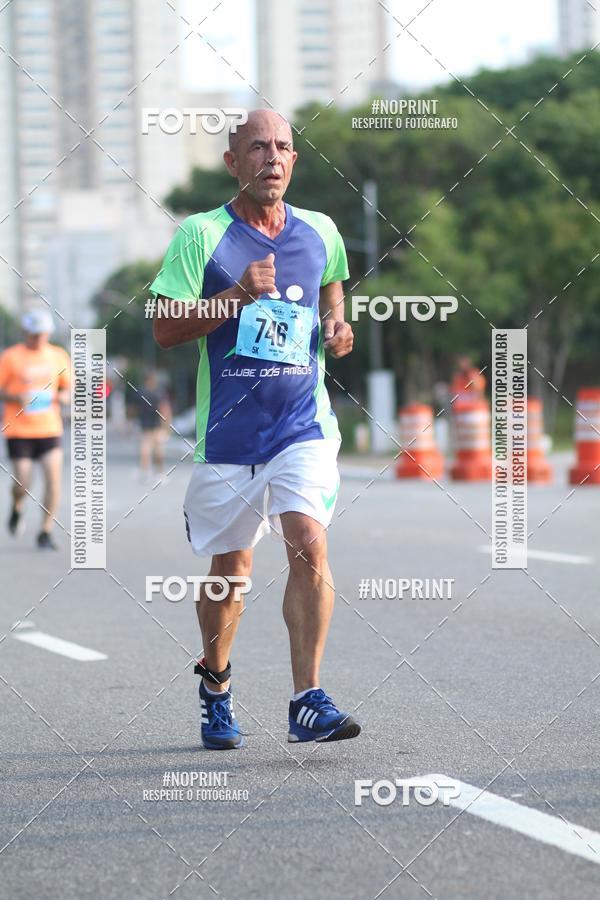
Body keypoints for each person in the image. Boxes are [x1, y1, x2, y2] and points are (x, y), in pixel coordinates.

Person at [151, 108, 358, 749]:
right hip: (230, 436)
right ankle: (215, 684)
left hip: (302, 426)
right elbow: (163, 327)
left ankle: (307, 699)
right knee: (230, 571)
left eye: (284, 147)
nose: (273, 157)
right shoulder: (201, 235)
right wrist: (235, 297)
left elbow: (332, 288)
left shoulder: (321, 230)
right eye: (258, 148)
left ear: (295, 160)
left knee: (308, 541)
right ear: (232, 162)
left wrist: (337, 326)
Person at [0, 308, 70, 549]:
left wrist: (63, 397)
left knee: (53, 480)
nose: (38, 338)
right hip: (18, 430)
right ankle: (17, 505)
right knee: (23, 482)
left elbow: (67, 389)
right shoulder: (11, 357)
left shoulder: (58, 355)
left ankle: (45, 530)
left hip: (49, 428)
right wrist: (15, 397)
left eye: (42, 334)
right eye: (33, 334)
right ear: (25, 333)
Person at [137, 371, 172, 480]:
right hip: (157, 424)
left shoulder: (141, 392)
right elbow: (164, 409)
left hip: (145, 423)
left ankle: (146, 471)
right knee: (158, 448)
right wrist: (167, 424)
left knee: (145, 446)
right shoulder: (158, 393)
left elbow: (133, 409)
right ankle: (160, 472)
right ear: (151, 380)